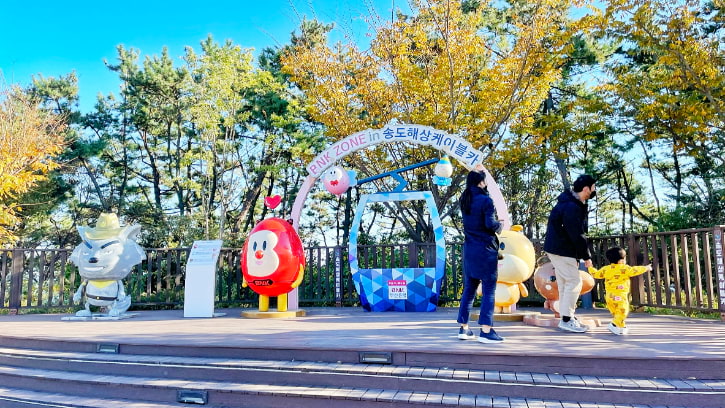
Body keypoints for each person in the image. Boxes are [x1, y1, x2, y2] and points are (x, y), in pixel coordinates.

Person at [543, 174, 596, 333]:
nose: (594, 191)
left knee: (565, 283)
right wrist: (586, 256)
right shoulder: (572, 207)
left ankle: (566, 317)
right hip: (563, 250)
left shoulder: (567, 203)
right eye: (593, 188)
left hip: (557, 248)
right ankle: (567, 319)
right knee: (574, 282)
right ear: (586, 189)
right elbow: (576, 234)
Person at [456, 166, 503, 343]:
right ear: (481, 182)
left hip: (469, 250)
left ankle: (464, 328)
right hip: (486, 250)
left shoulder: (464, 199)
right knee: (489, 290)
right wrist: (499, 225)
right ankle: (486, 330)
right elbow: (490, 224)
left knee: (469, 289)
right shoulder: (485, 200)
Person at [588, 247, 652, 335]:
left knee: (617, 312)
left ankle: (621, 327)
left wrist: (590, 268)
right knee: (623, 310)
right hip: (620, 296)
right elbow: (635, 270)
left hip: (609, 296)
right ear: (622, 260)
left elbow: (596, 274)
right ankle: (614, 324)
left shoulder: (606, 269)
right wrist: (646, 268)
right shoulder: (624, 268)